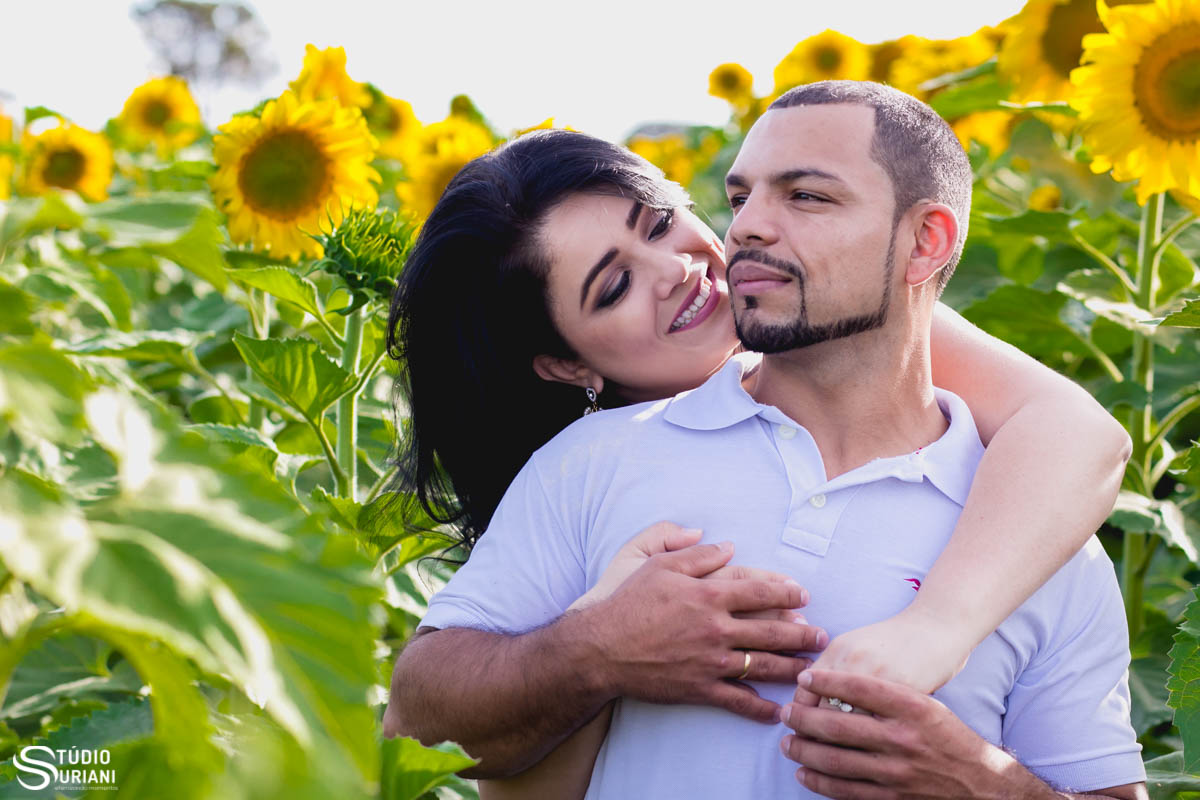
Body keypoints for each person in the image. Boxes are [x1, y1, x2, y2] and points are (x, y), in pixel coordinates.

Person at [382, 95, 1134, 792]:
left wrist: (975, 767)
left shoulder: (1024, 521)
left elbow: (1079, 431)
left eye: (662, 222)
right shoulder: (589, 468)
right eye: (612, 290)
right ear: (570, 365)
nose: (685, 270)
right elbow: (439, 731)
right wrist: (599, 646)